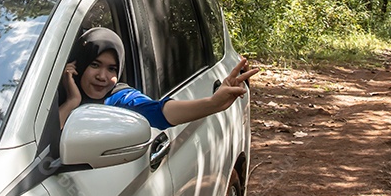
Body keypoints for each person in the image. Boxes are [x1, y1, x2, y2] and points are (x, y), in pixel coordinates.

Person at [59, 27, 259, 129]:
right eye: (94, 65)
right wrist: (71, 101)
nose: (103, 76)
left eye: (112, 69)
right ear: (78, 65)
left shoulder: (118, 98)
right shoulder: (43, 93)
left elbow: (160, 111)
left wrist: (213, 104)